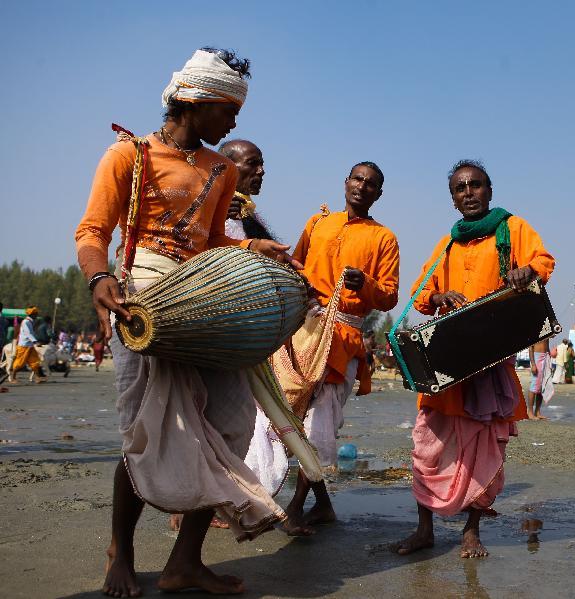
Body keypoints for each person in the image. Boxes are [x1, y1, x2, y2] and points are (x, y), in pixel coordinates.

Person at [74, 48, 300, 597]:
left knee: (228, 426)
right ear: (195, 101)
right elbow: (92, 230)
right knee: (144, 433)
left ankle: (184, 563)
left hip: (208, 303)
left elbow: (212, 241)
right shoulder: (128, 155)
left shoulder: (221, 170)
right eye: (228, 108)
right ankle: (120, 551)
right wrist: (97, 277)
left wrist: (253, 247)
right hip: (143, 304)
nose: (234, 121)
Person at [393, 159, 554, 558]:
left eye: (475, 185)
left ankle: (471, 531)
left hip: (489, 361)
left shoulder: (513, 228)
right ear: (452, 198)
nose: (468, 193)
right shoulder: (446, 244)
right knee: (426, 447)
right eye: (460, 188)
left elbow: (544, 262)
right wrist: (437, 297)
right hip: (446, 365)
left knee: (484, 449)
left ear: (489, 190)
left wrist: (525, 272)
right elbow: (421, 289)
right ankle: (424, 529)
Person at [271, 161, 399, 533]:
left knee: (317, 426)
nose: (362, 186)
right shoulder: (317, 222)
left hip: (343, 340)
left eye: (371, 183)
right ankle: (323, 505)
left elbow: (389, 297)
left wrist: (366, 284)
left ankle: (295, 508)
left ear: (379, 193)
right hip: (302, 331)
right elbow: (295, 264)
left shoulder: (384, 238)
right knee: (288, 417)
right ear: (346, 182)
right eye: (357, 178)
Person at [219, 139, 276, 242]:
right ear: (226, 168)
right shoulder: (208, 209)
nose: (261, 171)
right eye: (252, 163)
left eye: (261, 164)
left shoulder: (250, 214)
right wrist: (218, 216)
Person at [8, 307, 46, 384]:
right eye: (36, 314)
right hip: (24, 345)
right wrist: (35, 342)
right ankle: (13, 377)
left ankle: (37, 378)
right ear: (32, 314)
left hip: (30, 345)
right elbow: (28, 333)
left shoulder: (29, 322)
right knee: (19, 363)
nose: (37, 315)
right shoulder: (26, 322)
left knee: (35, 362)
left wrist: (36, 341)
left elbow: (32, 333)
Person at [527, 339, 554, 420]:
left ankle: (537, 411)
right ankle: (530, 412)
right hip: (537, 356)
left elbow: (547, 346)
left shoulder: (546, 329)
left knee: (542, 386)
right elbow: (531, 348)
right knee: (534, 386)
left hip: (545, 356)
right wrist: (533, 364)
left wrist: (549, 362)